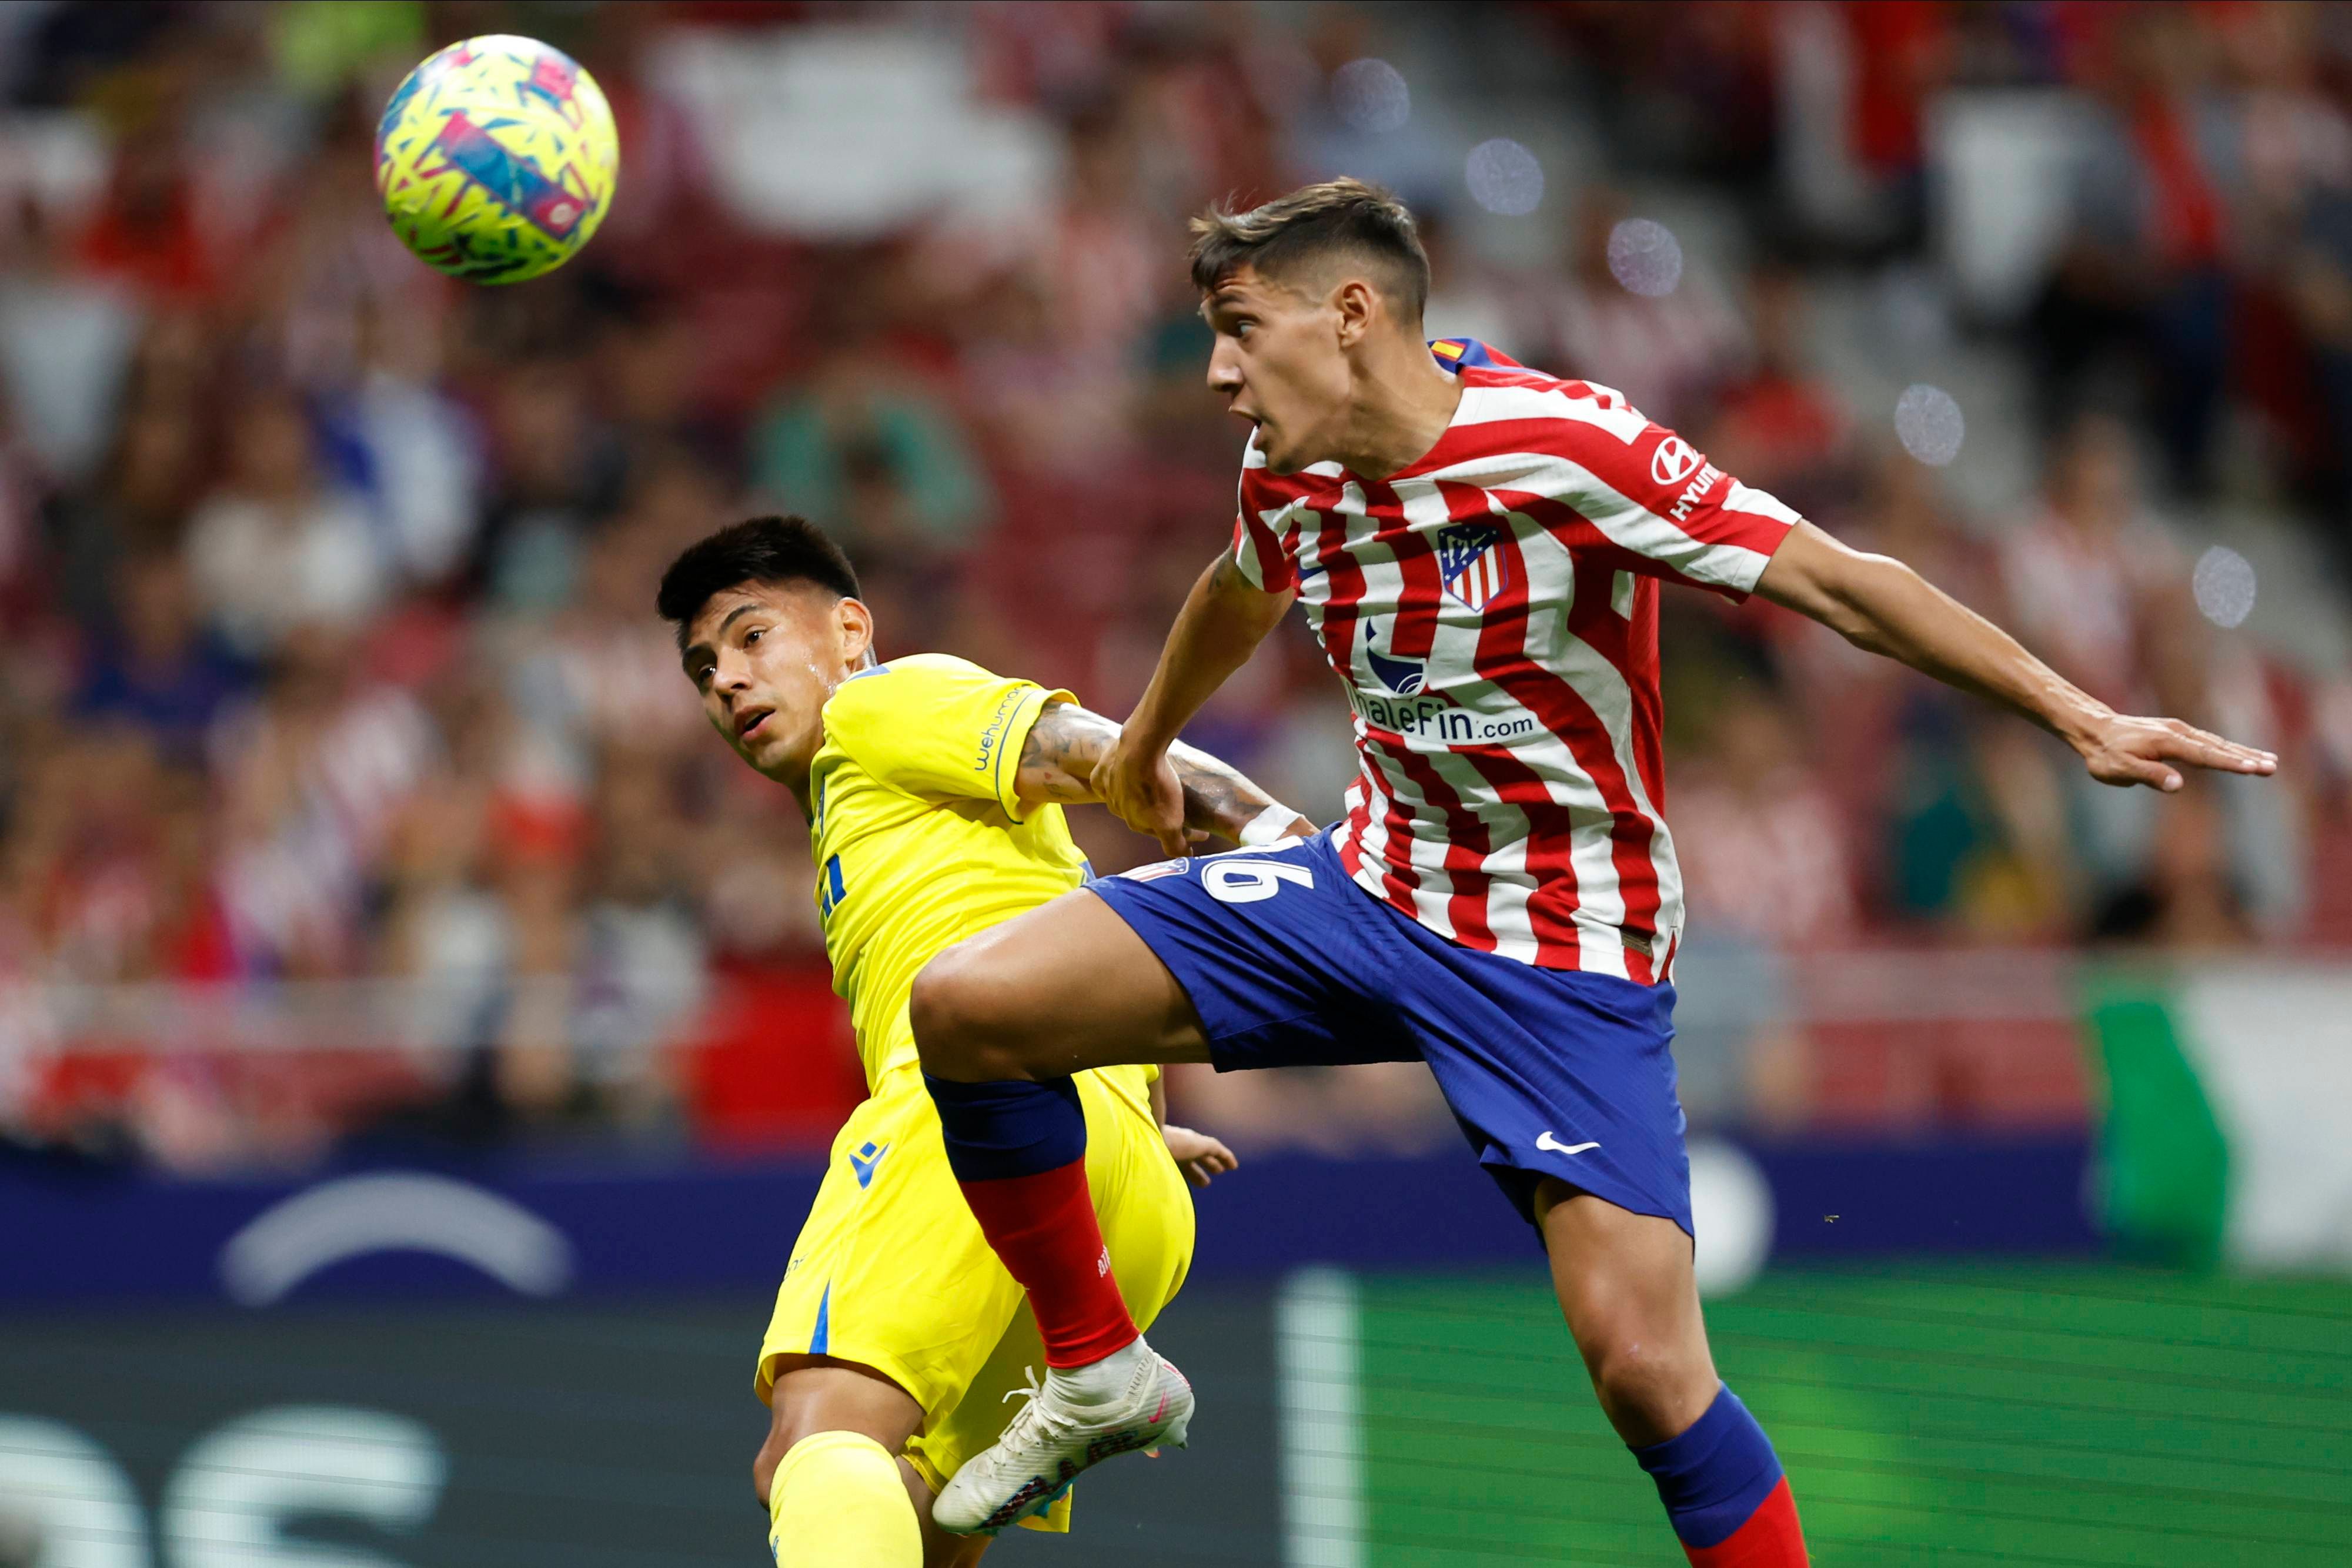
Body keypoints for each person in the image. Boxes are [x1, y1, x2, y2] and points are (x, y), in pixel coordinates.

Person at [908, 180, 2279, 1559]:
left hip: (1563, 943)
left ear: (1349, 314)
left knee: (1644, 1370)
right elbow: (1241, 581)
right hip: (1368, 888)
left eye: (1236, 328)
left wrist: (2076, 713)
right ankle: (1097, 1370)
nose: (1214, 371)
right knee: (967, 1007)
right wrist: (1145, 739)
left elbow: (1837, 578)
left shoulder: (1569, 448)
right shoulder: (1290, 462)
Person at [656, 515, 1309, 1568]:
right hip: (1114, 1185)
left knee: (814, 1446)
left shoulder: (882, 703)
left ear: (852, 628)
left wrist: (1268, 827)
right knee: (928, 1518)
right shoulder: (870, 812)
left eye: (751, 637)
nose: (726, 681)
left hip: (976, 1136)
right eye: (703, 668)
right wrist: (1131, 1124)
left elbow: (1092, 749)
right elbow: (1053, 922)